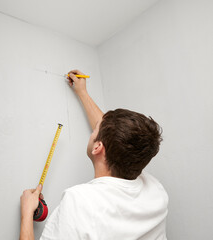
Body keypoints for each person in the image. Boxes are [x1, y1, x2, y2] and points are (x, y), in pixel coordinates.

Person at [19, 69, 168, 240]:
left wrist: (26, 213)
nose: (95, 127)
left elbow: (107, 129)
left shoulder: (79, 202)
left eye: (96, 129)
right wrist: (82, 93)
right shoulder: (155, 190)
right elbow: (112, 132)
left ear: (98, 147)